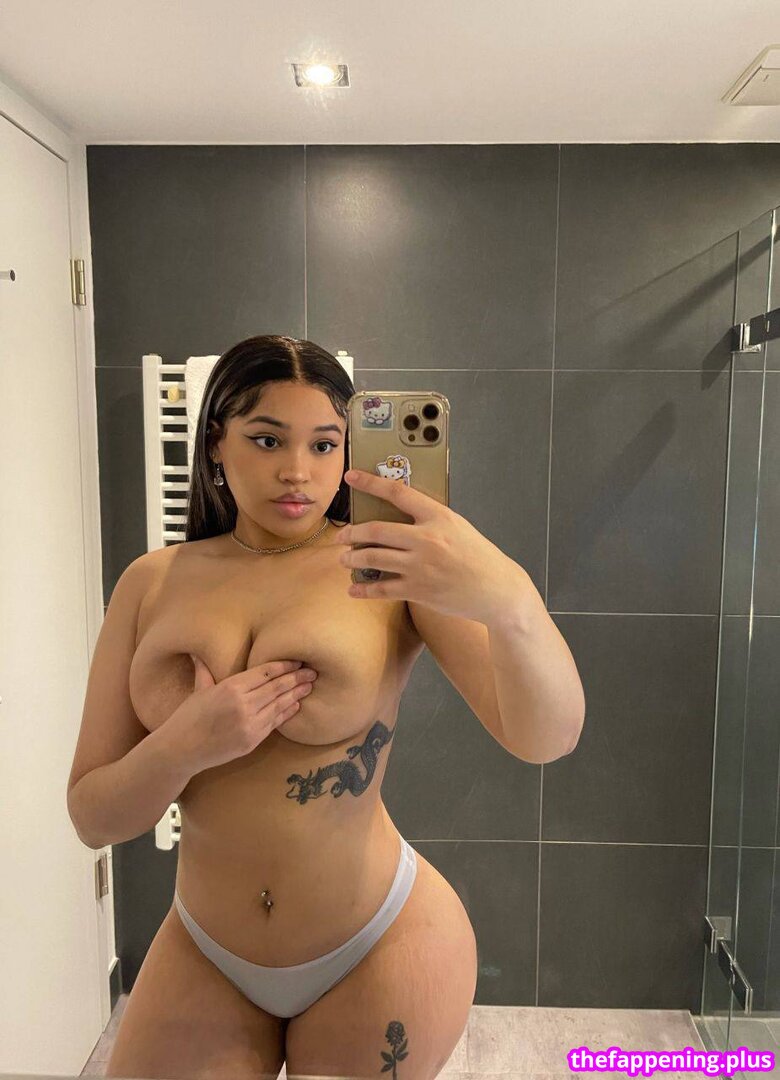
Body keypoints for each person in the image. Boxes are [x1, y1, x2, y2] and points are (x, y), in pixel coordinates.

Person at [68, 335, 478, 1080]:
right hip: (206, 949)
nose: (298, 471)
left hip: (377, 940)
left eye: (324, 445)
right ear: (215, 443)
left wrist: (504, 594)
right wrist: (187, 743)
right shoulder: (149, 584)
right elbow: (92, 817)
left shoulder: (382, 568)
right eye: (267, 440)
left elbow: (549, 729)